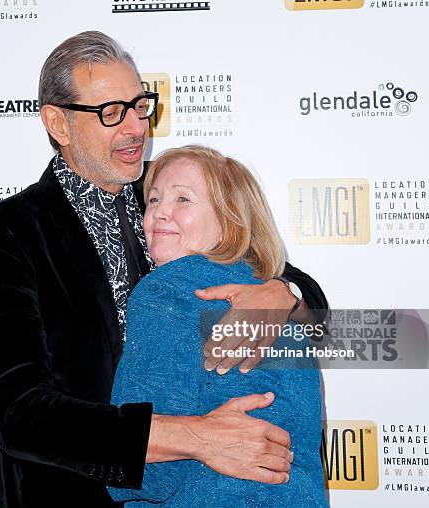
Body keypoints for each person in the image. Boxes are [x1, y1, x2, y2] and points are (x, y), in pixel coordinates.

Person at [0, 31, 328, 507]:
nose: (136, 127)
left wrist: (281, 294)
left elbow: (306, 298)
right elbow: (21, 415)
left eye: (140, 105)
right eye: (111, 113)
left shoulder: (169, 193)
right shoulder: (7, 232)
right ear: (58, 122)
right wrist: (197, 437)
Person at [108, 146, 328, 506]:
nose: (161, 211)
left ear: (231, 221)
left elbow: (144, 475)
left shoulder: (165, 292)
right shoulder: (275, 307)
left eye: (183, 199)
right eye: (154, 199)